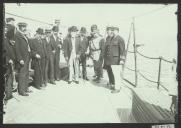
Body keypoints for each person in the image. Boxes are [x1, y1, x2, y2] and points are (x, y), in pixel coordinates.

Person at [103, 26, 125, 93]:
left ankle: (117, 88)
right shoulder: (112, 38)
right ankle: (113, 84)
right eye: (112, 30)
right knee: (113, 73)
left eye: (115, 31)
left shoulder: (120, 39)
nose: (113, 32)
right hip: (111, 60)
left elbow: (123, 50)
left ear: (118, 31)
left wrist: (122, 60)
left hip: (116, 60)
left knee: (117, 74)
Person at [14, 22, 31, 96]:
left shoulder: (24, 35)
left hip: (27, 56)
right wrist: (20, 59)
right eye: (23, 27)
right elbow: (16, 48)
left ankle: (26, 88)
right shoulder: (17, 35)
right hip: (22, 58)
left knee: (26, 73)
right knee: (22, 74)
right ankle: (21, 91)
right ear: (19, 27)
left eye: (25, 26)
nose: (25, 28)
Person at [4, 24, 16, 100]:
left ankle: (9, 94)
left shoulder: (10, 40)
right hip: (6, 64)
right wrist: (8, 59)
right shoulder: (4, 41)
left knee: (10, 78)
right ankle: (6, 94)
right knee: (6, 79)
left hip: (11, 63)